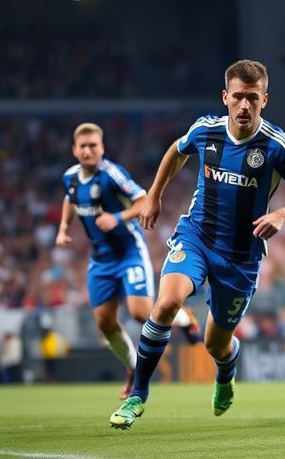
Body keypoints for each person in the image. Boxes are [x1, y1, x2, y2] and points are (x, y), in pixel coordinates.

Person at [110, 60, 285, 429]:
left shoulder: (277, 145)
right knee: (167, 303)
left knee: (215, 345)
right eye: (237, 97)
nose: (244, 105)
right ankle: (138, 395)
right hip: (197, 237)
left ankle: (226, 369)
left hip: (241, 258)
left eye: (252, 98)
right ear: (225, 97)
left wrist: (282, 213)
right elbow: (176, 151)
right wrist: (154, 195)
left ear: (264, 100)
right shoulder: (206, 130)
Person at [56, 123, 201, 400]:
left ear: (102, 148)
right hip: (100, 260)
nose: (88, 151)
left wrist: (117, 217)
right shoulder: (70, 178)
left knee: (140, 313)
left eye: (93, 145)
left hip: (129, 253)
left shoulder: (111, 174)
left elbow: (143, 199)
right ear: (74, 150)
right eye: (83, 146)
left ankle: (185, 317)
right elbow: (69, 199)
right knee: (105, 322)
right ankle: (133, 370)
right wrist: (63, 228)